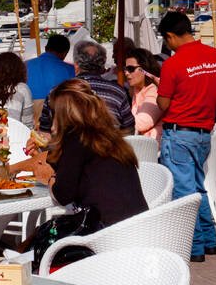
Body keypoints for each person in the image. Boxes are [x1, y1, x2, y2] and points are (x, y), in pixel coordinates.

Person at [155, 11, 216, 262]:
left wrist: (161, 89)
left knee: (184, 194)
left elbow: (163, 103)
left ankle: (193, 248)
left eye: (166, 40)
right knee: (199, 188)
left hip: (179, 133)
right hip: (204, 133)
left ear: (171, 36)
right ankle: (209, 241)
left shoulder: (173, 64)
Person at [28, 80, 147, 229]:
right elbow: (71, 168)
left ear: (65, 115)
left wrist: (51, 179)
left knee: (38, 239)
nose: (52, 125)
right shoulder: (107, 137)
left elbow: (63, 195)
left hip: (108, 236)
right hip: (140, 231)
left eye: (55, 114)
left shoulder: (76, 140)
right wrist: (39, 156)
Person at [38, 39, 134, 133]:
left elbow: (44, 130)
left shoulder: (56, 92)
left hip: (68, 148)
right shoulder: (117, 92)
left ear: (76, 65)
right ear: (102, 66)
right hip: (109, 147)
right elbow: (129, 129)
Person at [26, 34, 75, 125]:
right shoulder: (71, 70)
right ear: (65, 53)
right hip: (58, 119)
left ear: (45, 48)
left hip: (29, 117)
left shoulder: (24, 66)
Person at [125, 48, 164, 138]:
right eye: (125, 69)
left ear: (145, 69)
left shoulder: (154, 89)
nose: (126, 73)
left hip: (154, 147)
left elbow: (143, 123)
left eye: (131, 69)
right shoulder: (137, 89)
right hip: (143, 144)